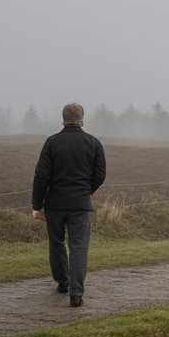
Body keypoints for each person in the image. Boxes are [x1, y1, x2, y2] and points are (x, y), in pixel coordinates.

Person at [31, 103, 106, 307]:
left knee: (56, 243)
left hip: (54, 203)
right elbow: (100, 175)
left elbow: (41, 176)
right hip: (80, 204)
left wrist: (37, 205)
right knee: (79, 247)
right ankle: (76, 294)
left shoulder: (52, 142)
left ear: (62, 120)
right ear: (83, 120)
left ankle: (63, 283)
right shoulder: (94, 143)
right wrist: (85, 191)